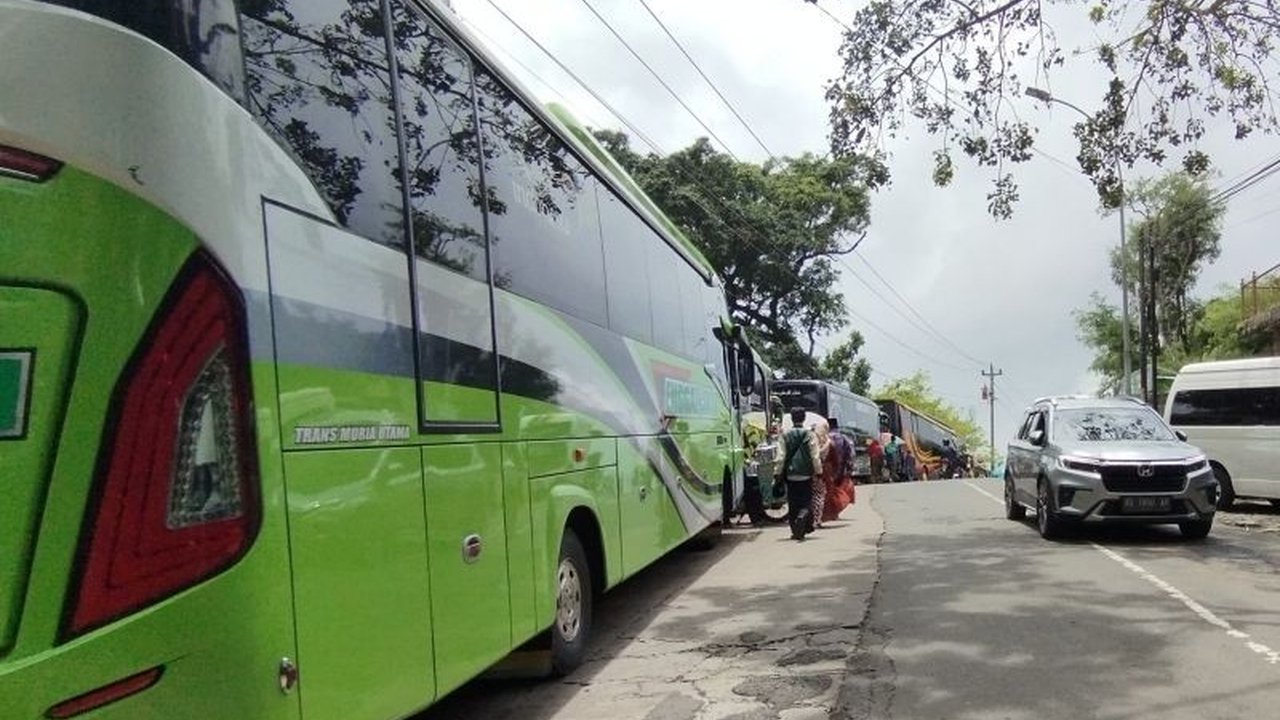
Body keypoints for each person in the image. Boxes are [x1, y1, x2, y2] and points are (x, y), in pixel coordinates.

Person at [778, 407, 822, 540]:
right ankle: (803, 515)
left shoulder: (785, 435)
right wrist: (818, 471)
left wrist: (778, 473)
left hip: (790, 474)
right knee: (805, 501)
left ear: (792, 418)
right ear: (803, 418)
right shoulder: (809, 434)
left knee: (793, 503)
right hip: (806, 473)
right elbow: (815, 455)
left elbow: (781, 456)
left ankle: (795, 530)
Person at [822, 418, 855, 521]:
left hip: (827, 469)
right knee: (837, 490)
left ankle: (828, 513)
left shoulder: (825, 438)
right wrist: (849, 469)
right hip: (840, 469)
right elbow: (850, 454)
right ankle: (834, 512)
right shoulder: (844, 438)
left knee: (828, 491)